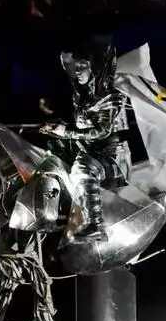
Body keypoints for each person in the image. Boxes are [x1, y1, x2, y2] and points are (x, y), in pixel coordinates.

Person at [40, 45, 130, 240]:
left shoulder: (110, 95)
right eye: (75, 67)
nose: (77, 71)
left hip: (110, 156)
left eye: (82, 66)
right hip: (88, 150)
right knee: (54, 158)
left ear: (94, 67)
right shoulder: (81, 95)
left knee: (81, 169)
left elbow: (102, 131)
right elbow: (80, 126)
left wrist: (66, 132)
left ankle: (95, 224)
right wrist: (58, 130)